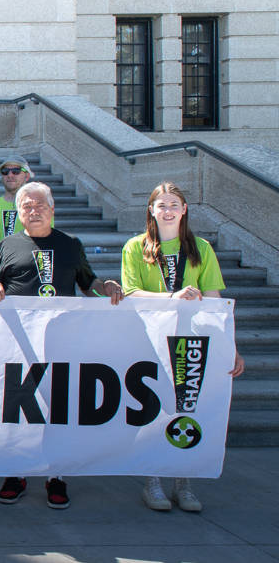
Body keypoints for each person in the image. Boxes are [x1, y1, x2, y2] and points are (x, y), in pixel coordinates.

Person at [0, 181, 125, 511]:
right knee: (19, 411)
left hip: (61, 341)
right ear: (18, 213)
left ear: (52, 208)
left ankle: (55, 475)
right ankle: (15, 473)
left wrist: (108, 285)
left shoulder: (71, 244)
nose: (33, 211)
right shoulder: (8, 244)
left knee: (57, 409)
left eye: (39, 205)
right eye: (26, 207)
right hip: (17, 344)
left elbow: (88, 285)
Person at [121, 182, 244, 512]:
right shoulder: (136, 247)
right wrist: (171, 298)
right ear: (151, 210)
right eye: (161, 205)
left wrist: (229, 346)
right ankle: (153, 480)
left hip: (192, 343)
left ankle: (183, 481)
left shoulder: (201, 248)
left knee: (186, 409)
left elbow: (216, 300)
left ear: (184, 209)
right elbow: (130, 293)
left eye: (174, 204)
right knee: (154, 409)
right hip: (151, 342)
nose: (168, 210)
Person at [0, 155, 35, 268]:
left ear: (27, 176)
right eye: (5, 171)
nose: (10, 175)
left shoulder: (38, 206)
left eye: (16, 171)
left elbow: (46, 240)